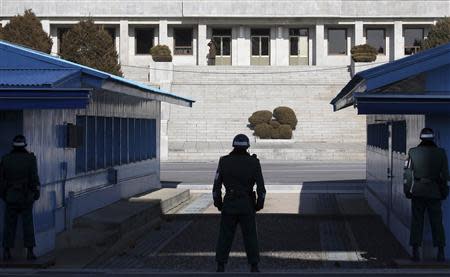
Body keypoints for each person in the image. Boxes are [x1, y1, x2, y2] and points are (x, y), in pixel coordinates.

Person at [213, 134, 266, 272]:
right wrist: (259, 204)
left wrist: (218, 203)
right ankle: (254, 264)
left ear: (233, 146)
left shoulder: (224, 161)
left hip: (229, 203)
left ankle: (221, 264)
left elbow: (216, 186)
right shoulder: (254, 162)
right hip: (247, 204)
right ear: (247, 147)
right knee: (250, 236)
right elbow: (261, 187)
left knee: (225, 235)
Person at [404, 128, 449, 262]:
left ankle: (415, 251)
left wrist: (407, 190)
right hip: (435, 192)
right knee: (437, 223)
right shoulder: (441, 153)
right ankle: (440, 252)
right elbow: (446, 176)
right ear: (433, 138)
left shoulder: (413, 152)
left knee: (417, 222)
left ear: (421, 138)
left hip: (418, 191)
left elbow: (407, 174)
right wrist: (444, 192)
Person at [0, 135, 40, 261]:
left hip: (11, 196)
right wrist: (36, 192)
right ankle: (30, 252)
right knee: (28, 224)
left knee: (9, 225)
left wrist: (4, 195)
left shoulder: (5, 159)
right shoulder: (30, 159)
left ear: (13, 146)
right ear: (25, 145)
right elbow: (34, 178)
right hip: (26, 196)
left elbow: (1, 180)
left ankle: (6, 252)